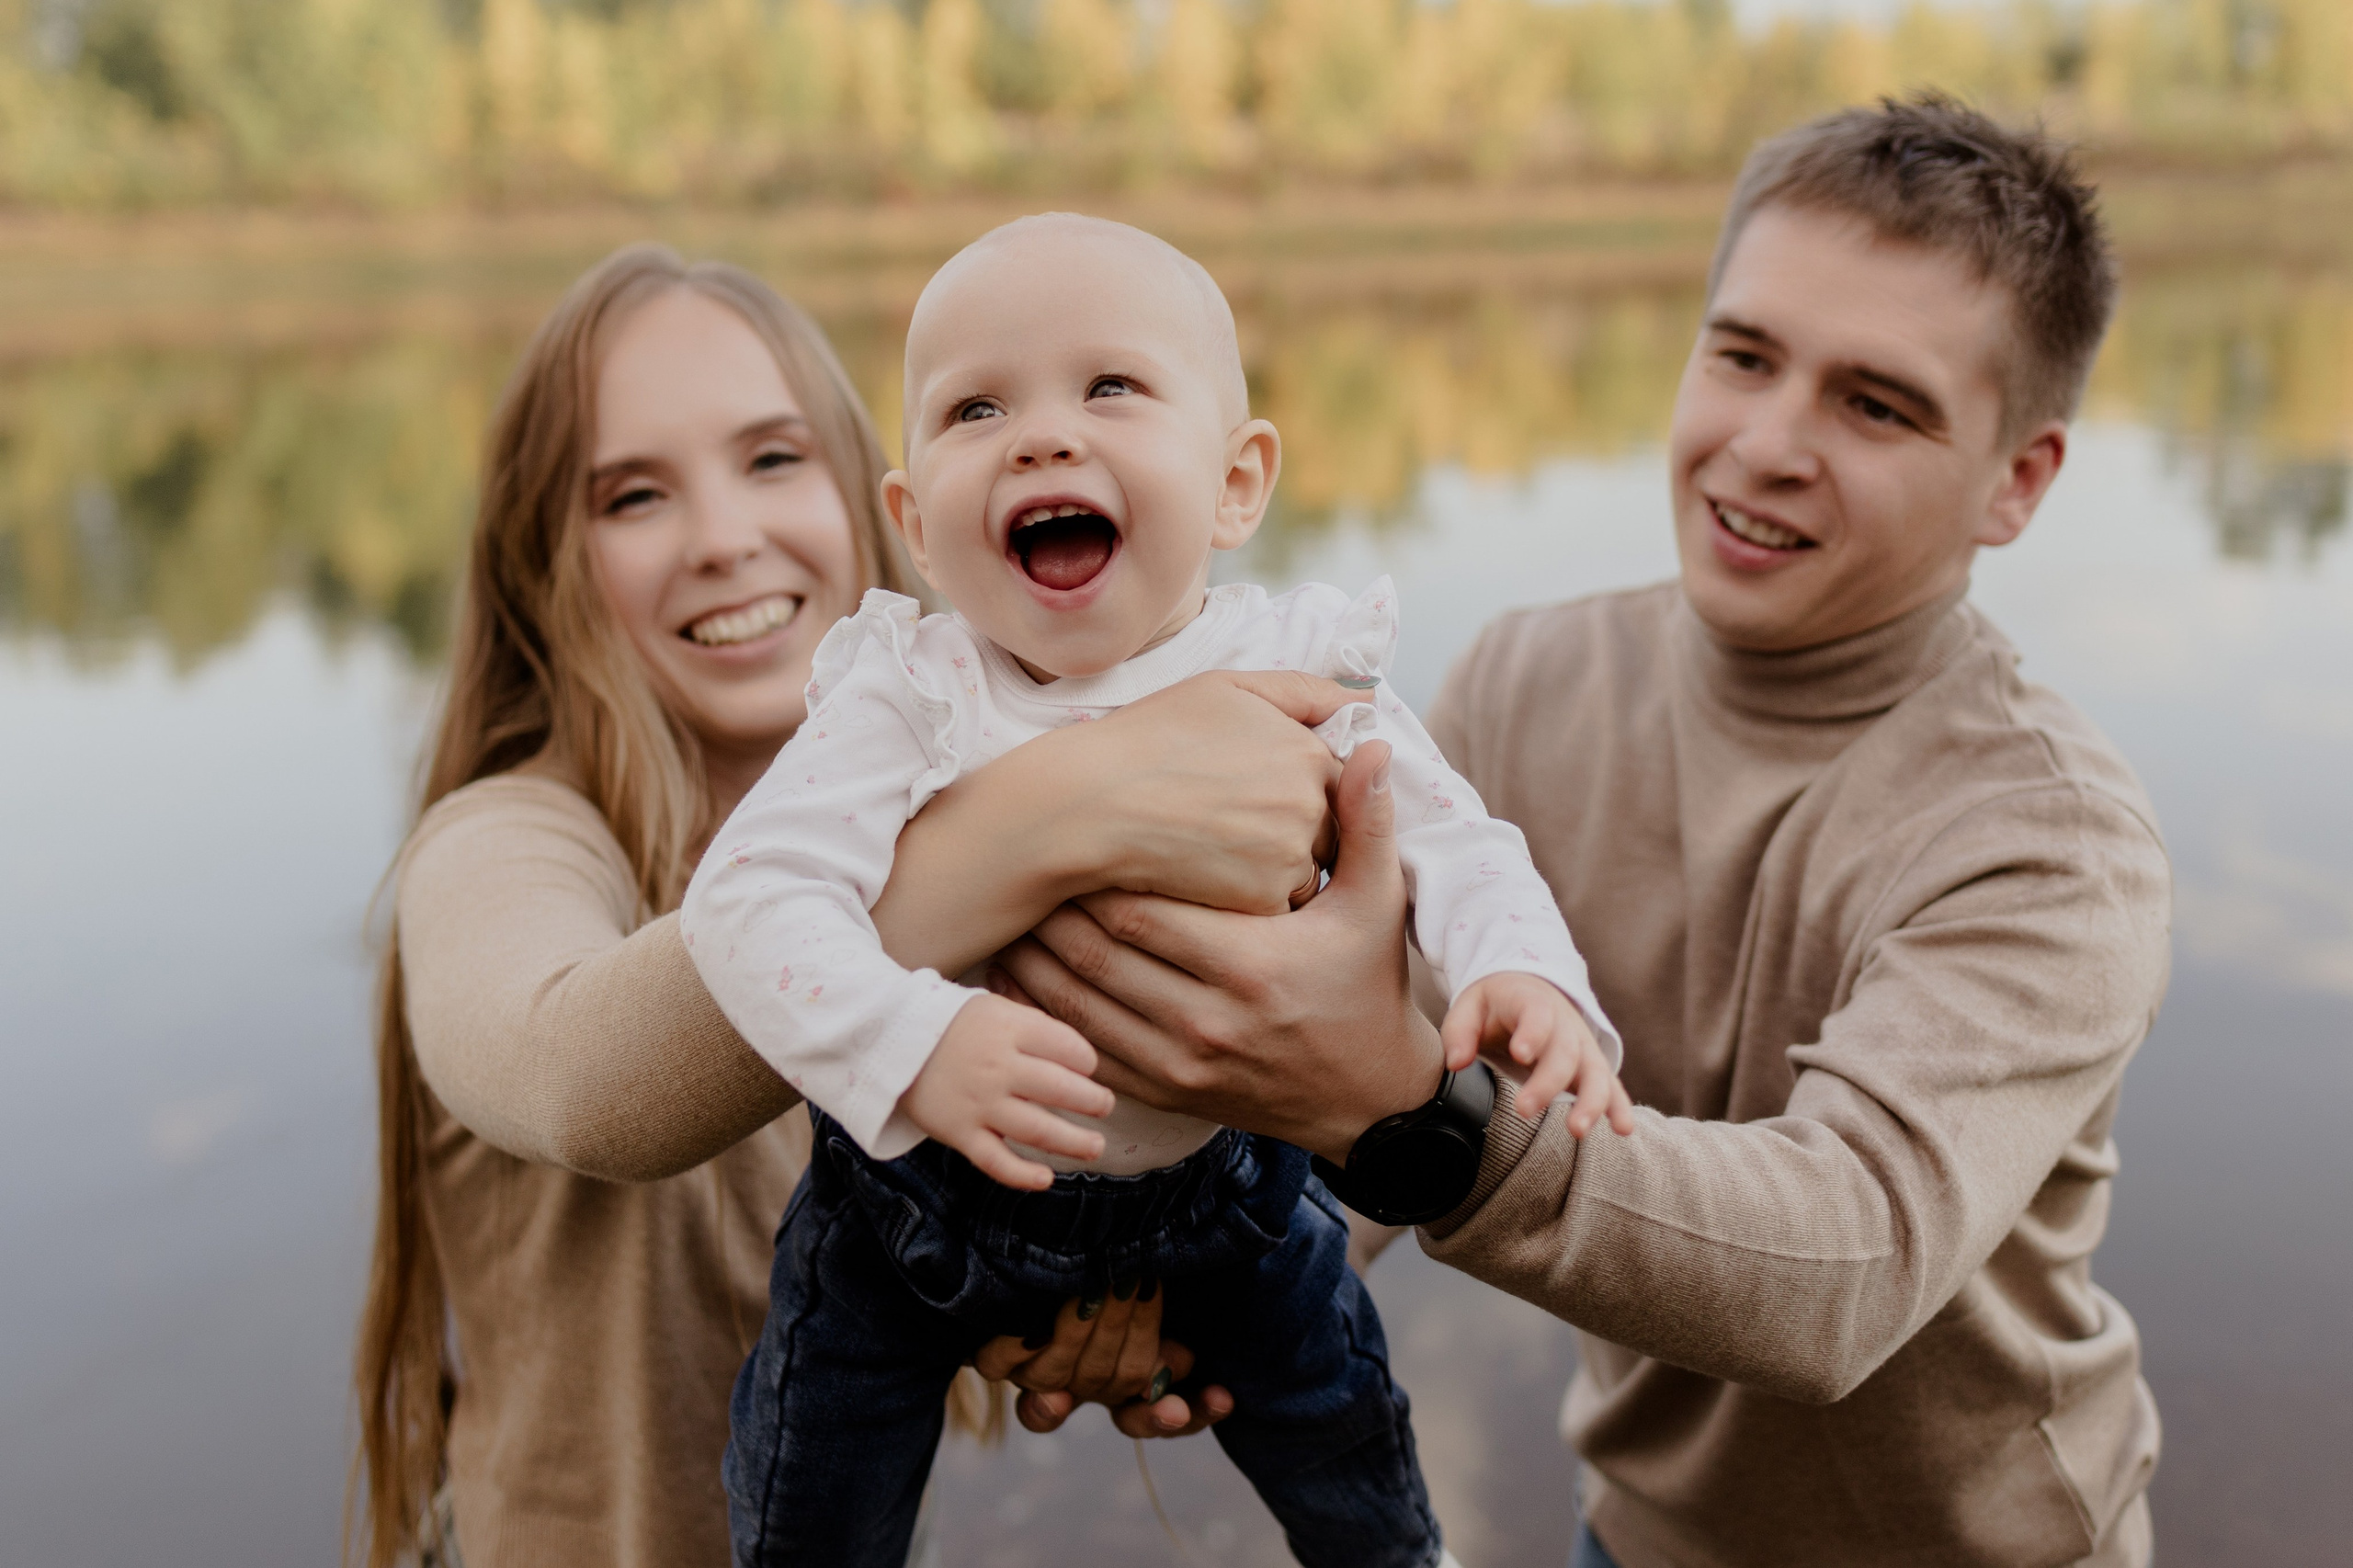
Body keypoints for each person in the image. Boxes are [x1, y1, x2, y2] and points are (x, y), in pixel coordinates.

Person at [978, 97, 2172, 1567]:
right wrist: (1195, 1284)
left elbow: (1843, 1267)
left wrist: (1416, 1123)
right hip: (1641, 1533)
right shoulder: (1524, 682)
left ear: (2019, 480)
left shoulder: (2055, 836)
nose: (1769, 442)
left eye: (1877, 403)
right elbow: (1332, 1071)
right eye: (1742, 355)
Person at [351, 244, 1355, 1568]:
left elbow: (1320, 1083)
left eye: (774, 460)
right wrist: (1071, 805)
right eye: (633, 495)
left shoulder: (939, 797)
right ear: (545, 553)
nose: (724, 539)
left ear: (880, 506)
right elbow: (585, 1076)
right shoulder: (501, 840)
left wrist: (1129, 1279)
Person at [681, 215, 1631, 1568]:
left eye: (1110, 387)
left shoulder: (1292, 665)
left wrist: (1524, 972)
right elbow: (747, 900)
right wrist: (915, 1043)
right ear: (914, 524)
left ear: (1238, 482)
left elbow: (1456, 843)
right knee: (814, 1474)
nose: (1042, 437)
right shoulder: (908, 691)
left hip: (1221, 1187)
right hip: (919, 1205)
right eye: (976, 406)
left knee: (1341, 1431)